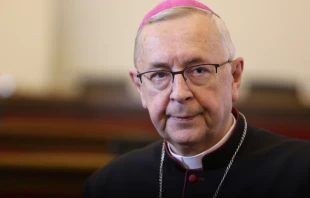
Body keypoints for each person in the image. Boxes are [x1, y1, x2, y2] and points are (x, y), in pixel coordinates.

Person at [83, 0, 310, 197]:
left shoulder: (301, 172)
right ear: (140, 87)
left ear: (234, 77)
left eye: (199, 70)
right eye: (160, 75)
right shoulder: (108, 185)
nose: (180, 93)